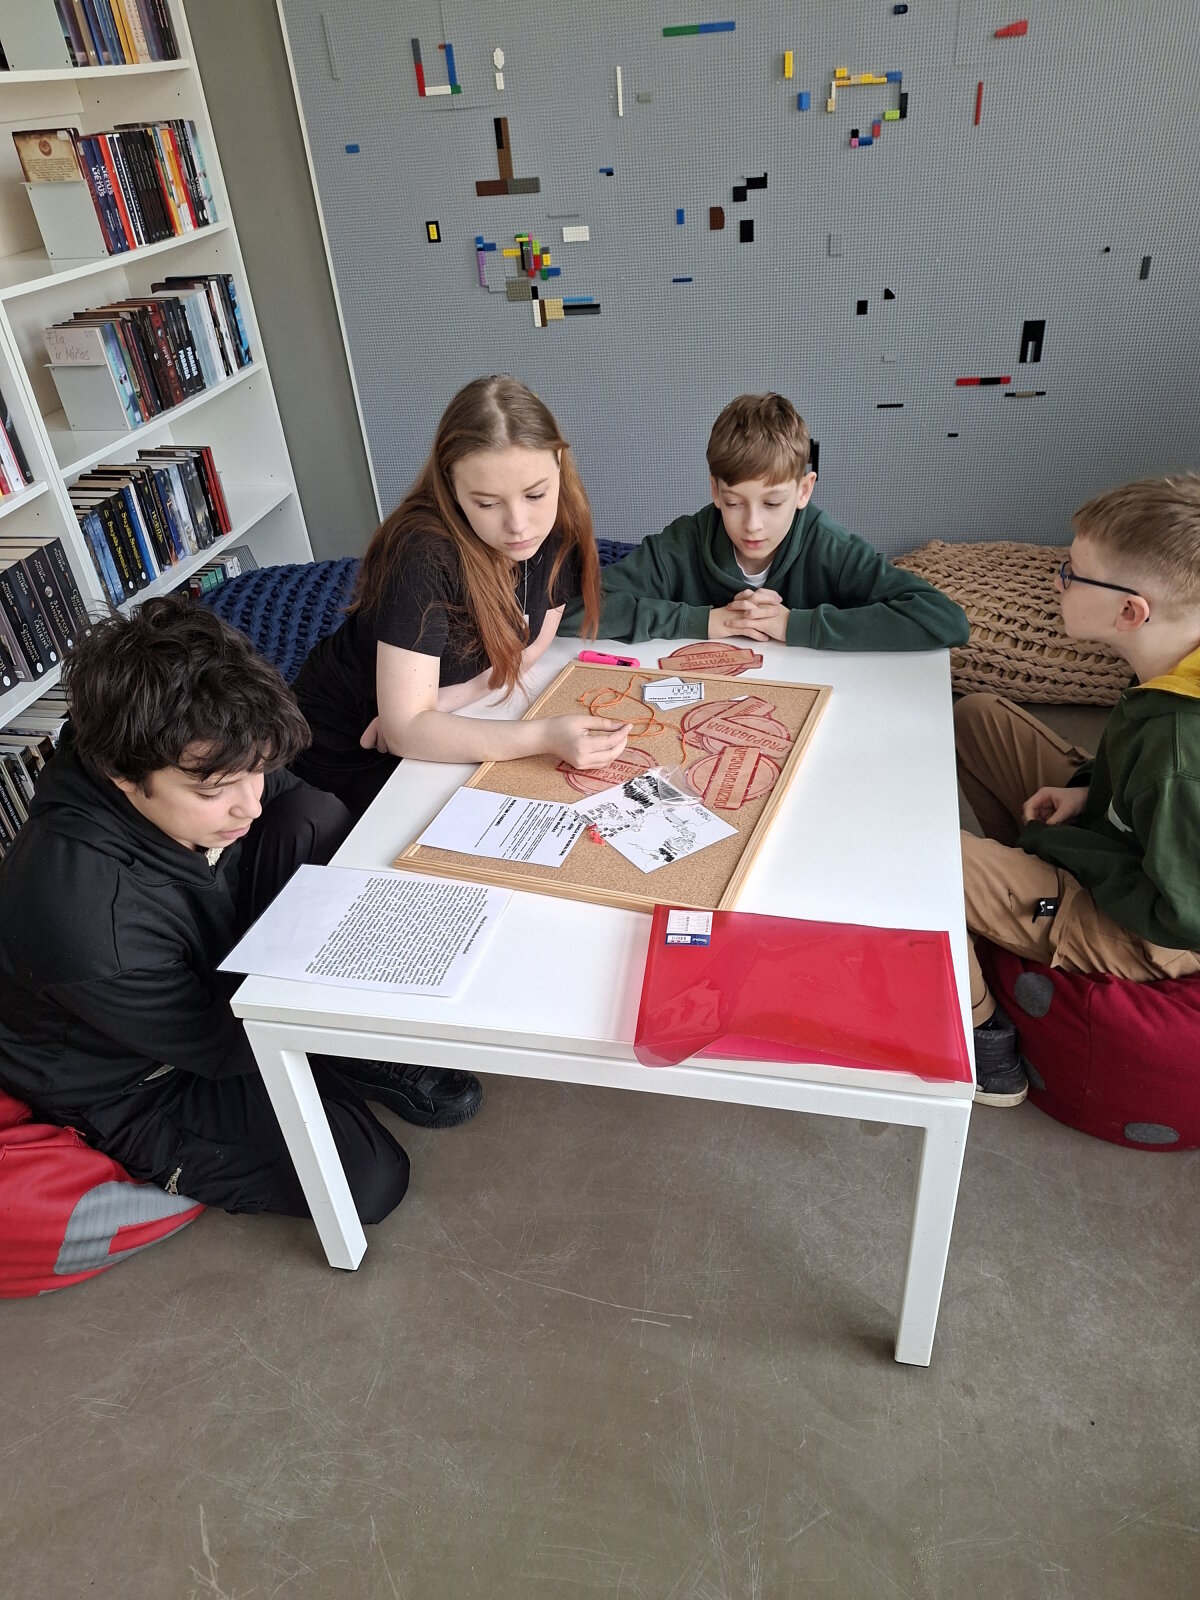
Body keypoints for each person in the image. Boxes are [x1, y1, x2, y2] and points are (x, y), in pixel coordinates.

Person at [0, 597, 481, 1223]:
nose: (248, 805)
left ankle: (331, 1049)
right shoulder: (86, 921)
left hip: (195, 957)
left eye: (255, 771)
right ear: (121, 773)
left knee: (313, 815)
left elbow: (281, 798)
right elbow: (217, 1046)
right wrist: (354, 991)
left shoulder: (191, 743)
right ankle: (329, 1053)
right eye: (214, 791)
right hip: (141, 1074)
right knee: (366, 1179)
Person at [958, 474, 1200, 1106]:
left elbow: (1183, 915)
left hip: (1147, 933)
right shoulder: (1173, 667)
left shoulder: (1180, 747)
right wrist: (1089, 793)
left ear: (1130, 612)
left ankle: (985, 1041)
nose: (1056, 581)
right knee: (979, 714)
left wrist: (1064, 853)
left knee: (927, 859)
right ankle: (1005, 888)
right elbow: (1137, 777)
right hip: (1124, 842)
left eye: (1072, 573)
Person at [292, 374, 628, 818]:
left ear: (559, 464)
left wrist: (438, 706)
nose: (519, 525)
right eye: (487, 503)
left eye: (535, 494)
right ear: (450, 486)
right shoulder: (421, 554)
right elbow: (406, 734)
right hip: (343, 747)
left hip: (419, 733)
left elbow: (533, 642)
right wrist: (544, 736)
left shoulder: (558, 525)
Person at [558, 392, 969, 649]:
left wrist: (794, 625)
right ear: (715, 491)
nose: (753, 525)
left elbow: (945, 619)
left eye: (773, 503)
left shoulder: (829, 545)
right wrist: (704, 620)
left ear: (804, 491)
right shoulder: (684, 542)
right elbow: (570, 610)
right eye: (734, 502)